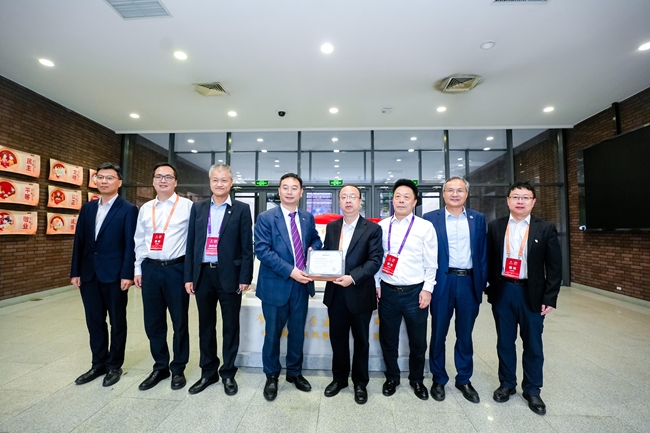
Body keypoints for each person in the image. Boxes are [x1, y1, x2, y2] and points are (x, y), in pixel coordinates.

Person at [486, 181, 562, 415]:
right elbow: (489, 259)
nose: (520, 201)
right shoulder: (496, 226)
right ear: (508, 200)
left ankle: (532, 389)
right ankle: (507, 384)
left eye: (525, 197)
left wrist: (550, 297)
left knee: (533, 344)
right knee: (505, 342)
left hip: (532, 293)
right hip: (504, 291)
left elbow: (555, 267)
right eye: (516, 197)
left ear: (533, 201)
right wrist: (489, 288)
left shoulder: (545, 228)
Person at [184, 164, 254, 396]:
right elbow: (191, 244)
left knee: (230, 326)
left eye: (224, 180)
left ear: (231, 183)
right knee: (206, 325)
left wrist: (245, 276)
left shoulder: (242, 209)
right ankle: (208, 372)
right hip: (203, 274)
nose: (219, 184)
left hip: (230, 275)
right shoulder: (198, 208)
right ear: (210, 182)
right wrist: (189, 276)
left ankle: (228, 373)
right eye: (215, 180)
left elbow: (247, 246)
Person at [254, 173, 322, 401]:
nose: (290, 191)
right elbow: (262, 251)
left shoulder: (307, 217)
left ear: (301, 192)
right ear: (279, 191)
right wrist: (290, 271)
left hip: (302, 286)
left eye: (294, 188)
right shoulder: (266, 218)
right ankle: (271, 375)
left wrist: (313, 249)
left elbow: (316, 240)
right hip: (276, 285)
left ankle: (294, 373)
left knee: (297, 333)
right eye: (285, 187)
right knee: (272, 334)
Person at [70, 162, 138, 387]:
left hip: (115, 275)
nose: (104, 181)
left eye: (109, 178)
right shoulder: (88, 208)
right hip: (89, 274)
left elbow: (130, 244)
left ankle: (114, 365)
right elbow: (79, 242)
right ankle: (98, 363)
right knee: (94, 321)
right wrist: (75, 271)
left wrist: (127, 273)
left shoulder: (128, 209)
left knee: (117, 322)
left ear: (119, 182)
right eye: (100, 177)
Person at [423, 177, 487, 403]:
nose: (455, 194)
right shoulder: (430, 218)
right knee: (438, 332)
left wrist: (483, 283)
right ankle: (438, 378)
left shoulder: (478, 219)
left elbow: (483, 253)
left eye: (460, 190)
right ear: (443, 194)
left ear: (466, 194)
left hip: (469, 282)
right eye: (450, 190)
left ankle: (464, 379)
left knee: (465, 334)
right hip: (442, 281)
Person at [374, 179, 437, 400]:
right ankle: (392, 377)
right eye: (398, 196)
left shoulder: (425, 227)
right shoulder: (382, 226)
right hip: (388, 291)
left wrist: (427, 288)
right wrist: (376, 283)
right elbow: (377, 259)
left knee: (418, 341)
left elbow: (431, 261)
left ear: (414, 201)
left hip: (415, 292)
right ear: (392, 200)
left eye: (406, 197)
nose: (401, 200)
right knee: (388, 339)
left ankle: (417, 380)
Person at [133, 163, 193, 391]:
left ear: (175, 182)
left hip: (176, 269)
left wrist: (190, 274)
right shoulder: (146, 208)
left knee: (179, 321)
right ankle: (160, 367)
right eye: (159, 176)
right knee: (153, 322)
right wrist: (138, 269)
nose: (163, 180)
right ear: (153, 181)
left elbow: (194, 241)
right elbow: (139, 240)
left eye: (168, 177)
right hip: (150, 269)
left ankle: (178, 368)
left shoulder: (187, 206)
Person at [322, 185, 383, 404]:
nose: (348, 200)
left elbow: (375, 260)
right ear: (339, 201)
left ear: (360, 201)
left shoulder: (372, 229)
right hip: (335, 293)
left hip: (360, 292)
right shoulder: (332, 227)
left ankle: (360, 383)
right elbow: (327, 254)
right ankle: (339, 379)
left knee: (361, 341)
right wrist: (316, 259)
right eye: (344, 197)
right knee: (337, 339)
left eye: (352, 197)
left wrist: (352, 277)